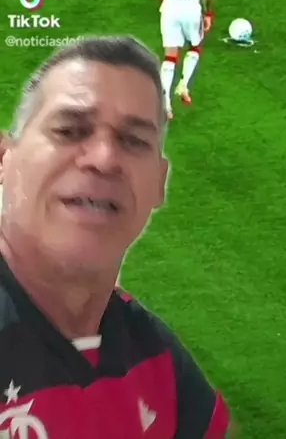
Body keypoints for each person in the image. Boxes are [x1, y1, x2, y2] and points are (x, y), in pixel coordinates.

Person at [0, 36, 231, 437]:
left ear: (159, 183)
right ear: (4, 159)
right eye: (70, 130)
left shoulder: (159, 362)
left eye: (133, 141)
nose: (105, 159)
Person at [153, 0, 213, 119]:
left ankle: (165, 103)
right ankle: (184, 84)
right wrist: (208, 13)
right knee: (195, 45)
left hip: (170, 9)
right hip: (191, 8)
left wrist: (170, 0)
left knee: (170, 56)